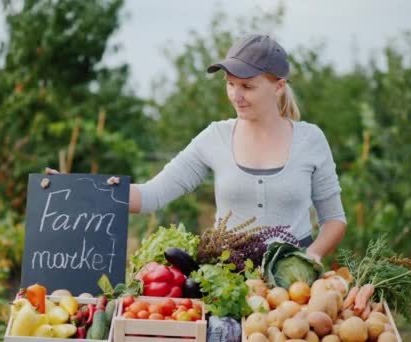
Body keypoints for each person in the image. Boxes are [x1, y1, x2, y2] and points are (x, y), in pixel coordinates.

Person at [49, 34, 346, 262]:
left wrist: (311, 259)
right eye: (230, 84)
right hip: (230, 279)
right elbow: (151, 195)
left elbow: (334, 220)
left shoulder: (310, 140)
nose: (236, 95)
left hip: (292, 289)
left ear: (278, 86)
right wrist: (79, 191)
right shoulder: (215, 137)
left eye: (247, 87)